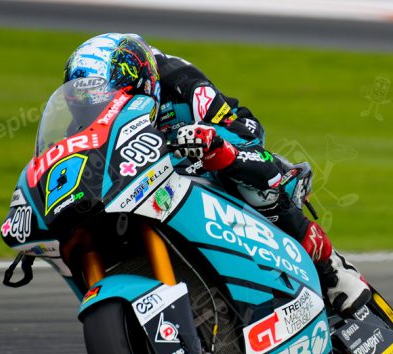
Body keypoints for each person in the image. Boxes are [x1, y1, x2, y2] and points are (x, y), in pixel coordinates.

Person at [64, 33, 371, 317]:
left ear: (140, 85)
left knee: (256, 185)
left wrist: (216, 148)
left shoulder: (184, 85)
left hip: (221, 139)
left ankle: (331, 268)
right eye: (90, 108)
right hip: (151, 174)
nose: (102, 114)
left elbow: (252, 150)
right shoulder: (83, 126)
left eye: (110, 102)